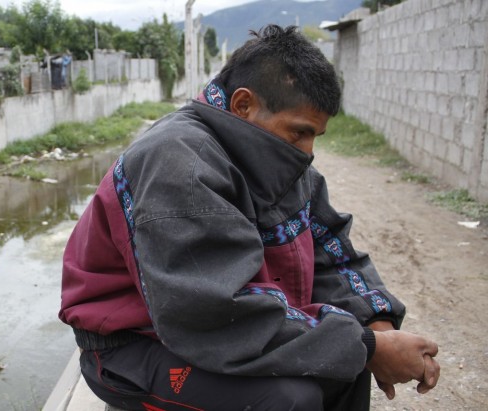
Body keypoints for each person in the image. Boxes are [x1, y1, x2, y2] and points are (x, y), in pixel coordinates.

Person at [59, 25, 440, 411]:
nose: (308, 153)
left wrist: (376, 326)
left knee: (343, 362)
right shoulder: (179, 164)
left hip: (213, 329)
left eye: (316, 137)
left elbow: (332, 251)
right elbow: (212, 310)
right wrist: (368, 347)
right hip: (134, 344)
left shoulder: (281, 161)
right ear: (243, 105)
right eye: (299, 132)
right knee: (290, 398)